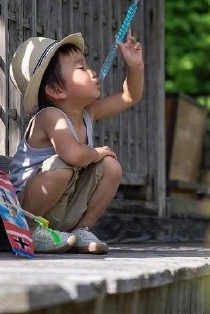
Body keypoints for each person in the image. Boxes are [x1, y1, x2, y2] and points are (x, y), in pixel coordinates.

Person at [8, 31, 143, 254]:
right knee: (63, 168)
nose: (92, 71)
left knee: (111, 167)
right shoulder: (50, 117)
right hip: (25, 209)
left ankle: (81, 230)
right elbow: (73, 155)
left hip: (62, 207)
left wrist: (135, 66)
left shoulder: (87, 113)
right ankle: (31, 230)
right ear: (56, 90)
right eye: (81, 68)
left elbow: (129, 96)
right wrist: (97, 152)